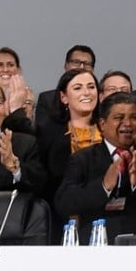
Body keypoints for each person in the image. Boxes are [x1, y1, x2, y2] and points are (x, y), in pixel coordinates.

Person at [54, 92, 136, 244]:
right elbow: (64, 203)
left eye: (134, 117)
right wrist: (104, 185)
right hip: (96, 248)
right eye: (119, 118)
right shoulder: (82, 159)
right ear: (102, 124)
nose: (127, 123)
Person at [38, 69, 102, 207]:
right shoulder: (49, 133)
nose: (87, 92)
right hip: (61, 210)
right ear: (63, 97)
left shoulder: (109, 129)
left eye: (91, 87)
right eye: (78, 88)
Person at [33, 44, 95, 131]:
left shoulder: (97, 98)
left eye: (87, 64)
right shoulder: (47, 99)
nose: (82, 67)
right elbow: (42, 131)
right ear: (66, 65)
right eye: (76, 62)